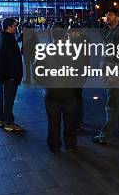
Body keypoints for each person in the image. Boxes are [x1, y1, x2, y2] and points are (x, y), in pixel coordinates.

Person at [93, 7, 119, 145]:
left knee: (111, 106)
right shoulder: (111, 31)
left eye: (110, 15)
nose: (107, 17)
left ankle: (105, 136)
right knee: (115, 103)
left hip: (115, 74)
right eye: (106, 14)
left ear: (117, 17)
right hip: (110, 73)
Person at [44, 23, 82, 154]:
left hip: (53, 91)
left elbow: (37, 71)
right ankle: (70, 144)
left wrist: (46, 83)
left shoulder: (45, 50)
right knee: (70, 120)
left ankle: (54, 146)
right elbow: (81, 69)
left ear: (51, 34)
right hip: (70, 91)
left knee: (54, 121)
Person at [0, 18, 24, 132]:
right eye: (15, 26)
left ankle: (1, 119)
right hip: (9, 76)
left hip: (2, 75)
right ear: (9, 27)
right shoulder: (8, 40)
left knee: (2, 97)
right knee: (9, 99)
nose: (16, 28)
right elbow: (13, 60)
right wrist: (16, 76)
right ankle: (9, 123)